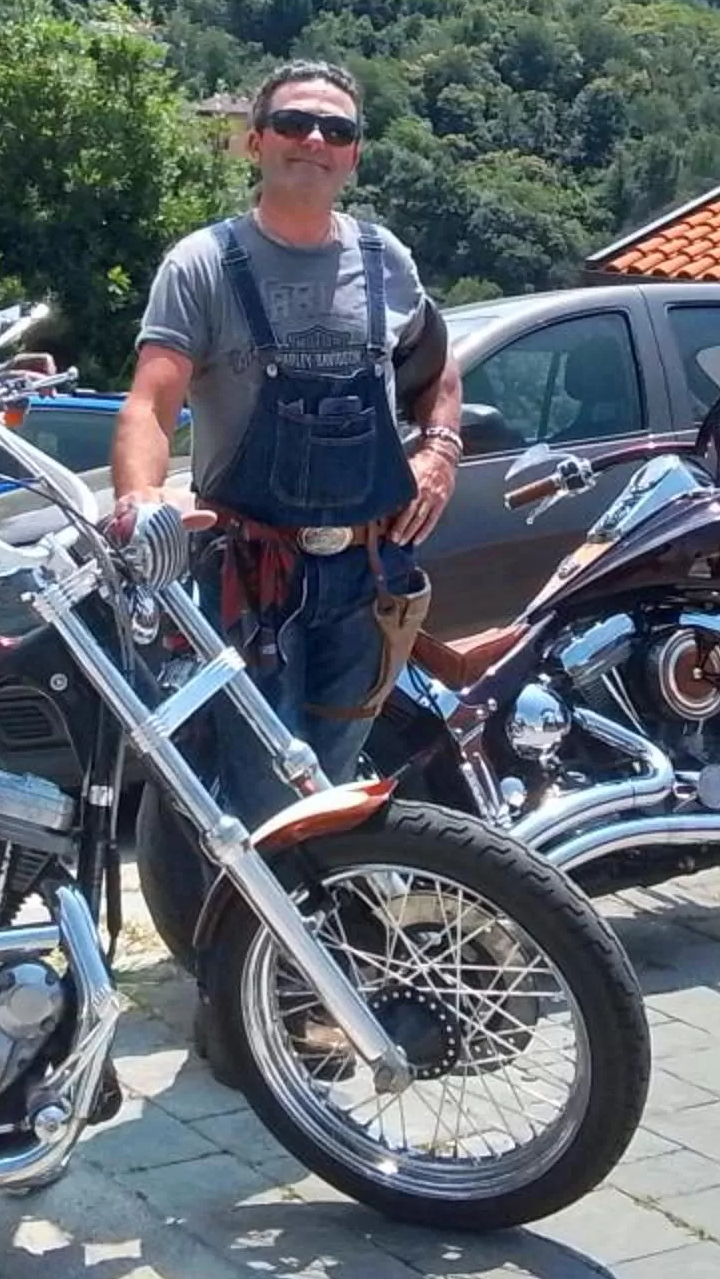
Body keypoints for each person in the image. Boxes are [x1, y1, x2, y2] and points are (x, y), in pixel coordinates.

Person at [111, 60, 462, 828]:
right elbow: (151, 400)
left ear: (354, 155)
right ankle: (254, 935)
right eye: (295, 124)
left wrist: (439, 452)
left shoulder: (385, 259)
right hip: (248, 580)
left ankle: (291, 935)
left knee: (333, 782)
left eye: (336, 130)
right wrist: (138, 503)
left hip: (366, 581)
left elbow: (437, 375)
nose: (315, 139)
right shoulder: (202, 265)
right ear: (255, 142)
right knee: (268, 793)